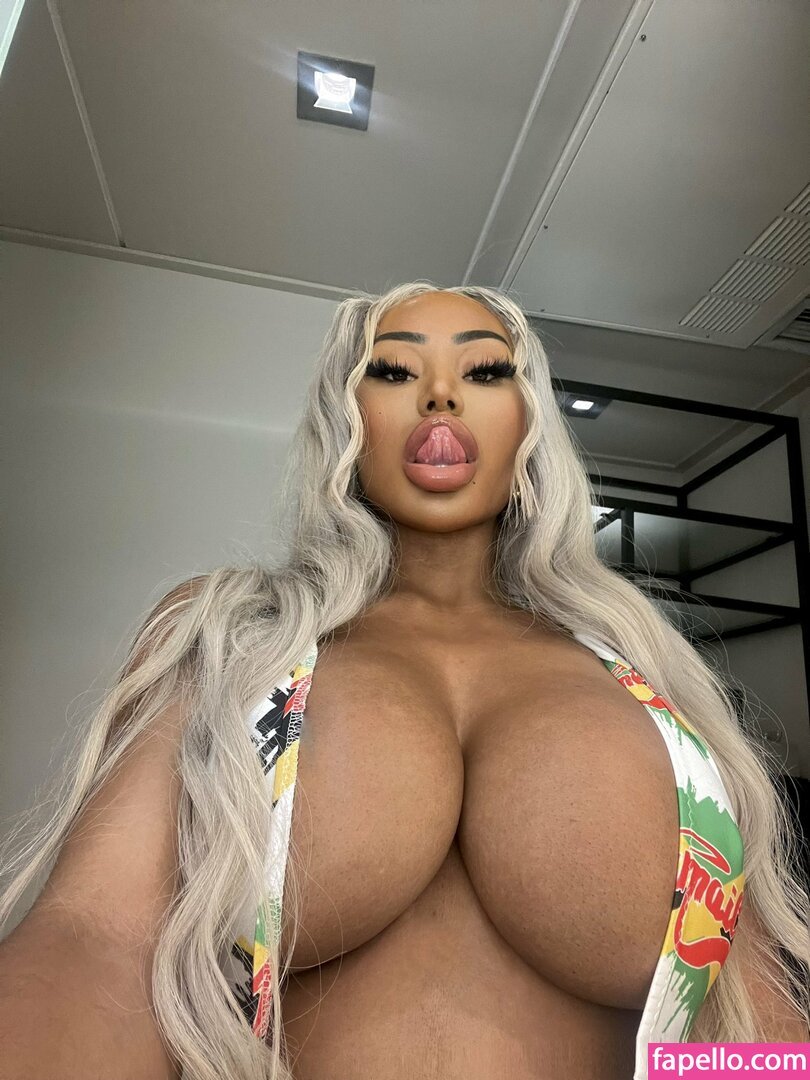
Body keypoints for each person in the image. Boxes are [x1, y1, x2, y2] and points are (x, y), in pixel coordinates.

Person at [0, 284, 807, 1080]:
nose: (440, 395)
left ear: (529, 422)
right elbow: (94, 937)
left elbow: (747, 1001)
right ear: (346, 418)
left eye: (484, 371)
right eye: (392, 370)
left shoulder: (639, 668)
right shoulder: (231, 631)